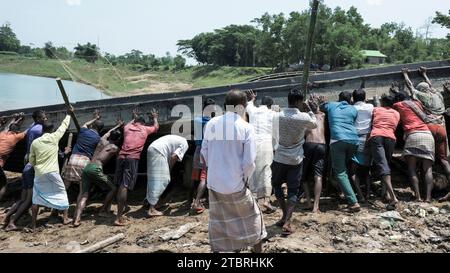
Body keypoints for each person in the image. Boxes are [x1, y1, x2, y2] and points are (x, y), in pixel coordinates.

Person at [201, 89, 266, 253]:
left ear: (224, 105)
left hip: (215, 184)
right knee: (254, 220)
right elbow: (249, 162)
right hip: (236, 185)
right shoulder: (246, 127)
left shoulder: (211, 124)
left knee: (221, 224)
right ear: (243, 107)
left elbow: (204, 153)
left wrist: (215, 172)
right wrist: (245, 180)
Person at [272, 89, 317, 235]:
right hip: (295, 159)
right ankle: (288, 221)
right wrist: (310, 109)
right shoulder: (303, 117)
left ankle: (284, 214)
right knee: (293, 190)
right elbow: (314, 124)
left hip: (279, 157)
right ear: (299, 101)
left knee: (277, 185)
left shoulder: (277, 116)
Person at [72, 121, 124, 227]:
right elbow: (120, 161)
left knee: (84, 194)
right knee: (113, 188)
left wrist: (117, 125)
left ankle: (77, 219)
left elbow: (108, 133)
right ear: (118, 139)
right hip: (96, 169)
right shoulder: (115, 148)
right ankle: (103, 210)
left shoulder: (102, 141)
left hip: (87, 167)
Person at [3, 110, 48, 231]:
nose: (46, 119)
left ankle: (7, 217)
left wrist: (16, 120)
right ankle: (12, 222)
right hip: (32, 165)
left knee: (23, 198)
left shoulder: (33, 129)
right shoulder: (40, 131)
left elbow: (29, 128)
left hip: (26, 164)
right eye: (44, 117)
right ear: (39, 119)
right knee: (29, 200)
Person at [29, 108, 73, 231]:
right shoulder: (54, 137)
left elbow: (31, 160)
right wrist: (68, 114)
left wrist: (38, 165)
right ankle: (65, 218)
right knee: (62, 192)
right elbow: (63, 127)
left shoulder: (35, 143)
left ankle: (33, 225)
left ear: (42, 130)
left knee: (36, 199)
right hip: (53, 172)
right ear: (51, 130)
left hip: (39, 173)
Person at [114, 109, 159, 226]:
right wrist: (154, 117)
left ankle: (119, 214)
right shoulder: (145, 129)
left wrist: (134, 116)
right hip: (132, 158)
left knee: (120, 185)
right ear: (143, 124)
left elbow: (130, 122)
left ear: (135, 122)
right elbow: (156, 127)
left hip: (121, 157)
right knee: (125, 185)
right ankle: (118, 217)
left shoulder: (127, 127)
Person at [393, 90, 435, 202]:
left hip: (413, 135)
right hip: (427, 135)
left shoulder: (398, 104)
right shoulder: (417, 103)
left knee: (412, 169)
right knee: (428, 169)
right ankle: (428, 198)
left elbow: (389, 108)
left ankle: (418, 197)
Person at [323, 91, 361, 212]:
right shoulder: (353, 109)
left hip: (338, 141)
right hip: (354, 141)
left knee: (340, 172)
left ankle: (353, 201)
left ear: (338, 99)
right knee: (342, 170)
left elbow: (321, 106)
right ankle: (343, 191)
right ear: (350, 100)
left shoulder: (331, 105)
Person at [245, 90, 277, 213]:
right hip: (266, 143)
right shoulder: (272, 113)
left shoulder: (253, 110)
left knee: (252, 170)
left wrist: (252, 98)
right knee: (266, 170)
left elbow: (249, 105)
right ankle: (266, 201)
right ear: (270, 105)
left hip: (252, 144)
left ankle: (253, 200)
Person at [368, 95, 400, 210]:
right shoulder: (397, 114)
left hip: (377, 136)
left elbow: (371, 120)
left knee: (383, 166)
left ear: (383, 103)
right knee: (386, 165)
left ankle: (393, 197)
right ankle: (384, 193)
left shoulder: (377, 109)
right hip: (391, 138)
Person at [146, 135, 189, 217]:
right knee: (163, 179)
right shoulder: (185, 144)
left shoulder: (178, 139)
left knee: (153, 178)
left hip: (152, 148)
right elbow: (174, 157)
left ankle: (152, 203)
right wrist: (169, 168)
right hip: (159, 151)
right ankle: (151, 209)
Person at [63, 111, 103, 189]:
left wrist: (95, 118)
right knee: (82, 189)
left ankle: (61, 200)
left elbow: (86, 124)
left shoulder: (83, 131)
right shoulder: (98, 139)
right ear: (100, 130)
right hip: (85, 161)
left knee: (66, 184)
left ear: (92, 126)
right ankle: (81, 200)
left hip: (73, 159)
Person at [190, 98, 217, 214]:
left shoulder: (196, 120)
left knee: (195, 176)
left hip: (197, 149)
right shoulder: (213, 122)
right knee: (204, 178)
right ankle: (197, 202)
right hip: (207, 150)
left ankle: (189, 199)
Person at [301, 94, 327, 213]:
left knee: (304, 176)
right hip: (321, 144)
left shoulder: (305, 116)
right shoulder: (323, 115)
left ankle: (308, 202)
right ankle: (316, 206)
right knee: (318, 176)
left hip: (309, 144)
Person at [350, 89, 374, 202]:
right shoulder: (370, 107)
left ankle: (360, 195)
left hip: (356, 138)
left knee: (354, 171)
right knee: (367, 170)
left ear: (353, 99)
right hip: (368, 139)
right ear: (365, 98)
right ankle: (368, 194)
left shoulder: (352, 108)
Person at [0, 113, 27, 202]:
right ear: (17, 132)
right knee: (3, 183)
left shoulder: (2, 134)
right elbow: (28, 130)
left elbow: (8, 127)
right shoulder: (15, 137)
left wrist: (15, 119)